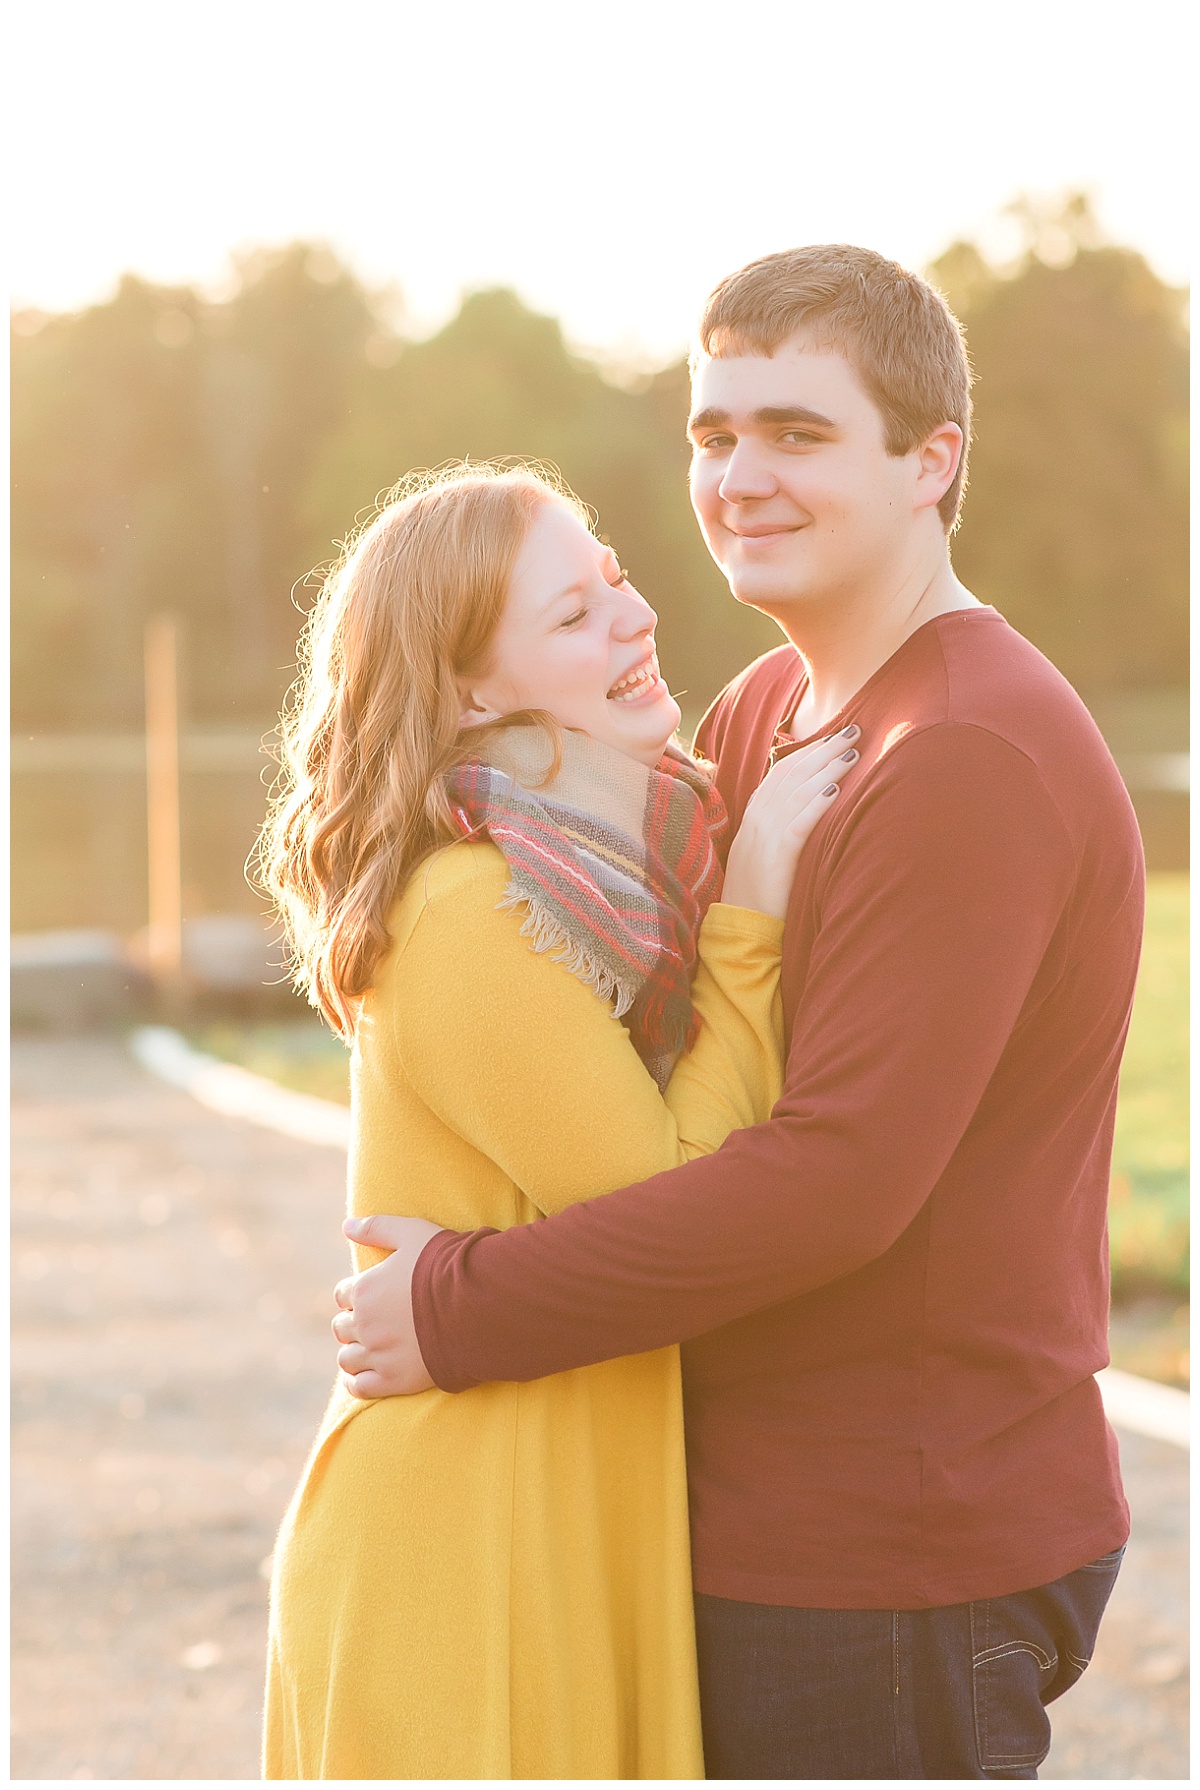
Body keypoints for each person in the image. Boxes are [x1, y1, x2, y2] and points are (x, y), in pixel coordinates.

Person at [334, 247, 1144, 1780]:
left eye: (798, 433)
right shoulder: (767, 710)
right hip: (731, 1508)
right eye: (714, 434)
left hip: (890, 1540)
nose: (740, 477)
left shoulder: (964, 751)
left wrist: (459, 1308)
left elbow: (835, 1182)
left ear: (932, 461)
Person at [257, 459, 859, 1779]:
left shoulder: (597, 877)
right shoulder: (476, 908)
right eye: (574, 616)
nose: (634, 618)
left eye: (616, 580)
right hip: (466, 1541)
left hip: (561, 1502)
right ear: (473, 688)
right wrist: (753, 909)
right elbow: (671, 1200)